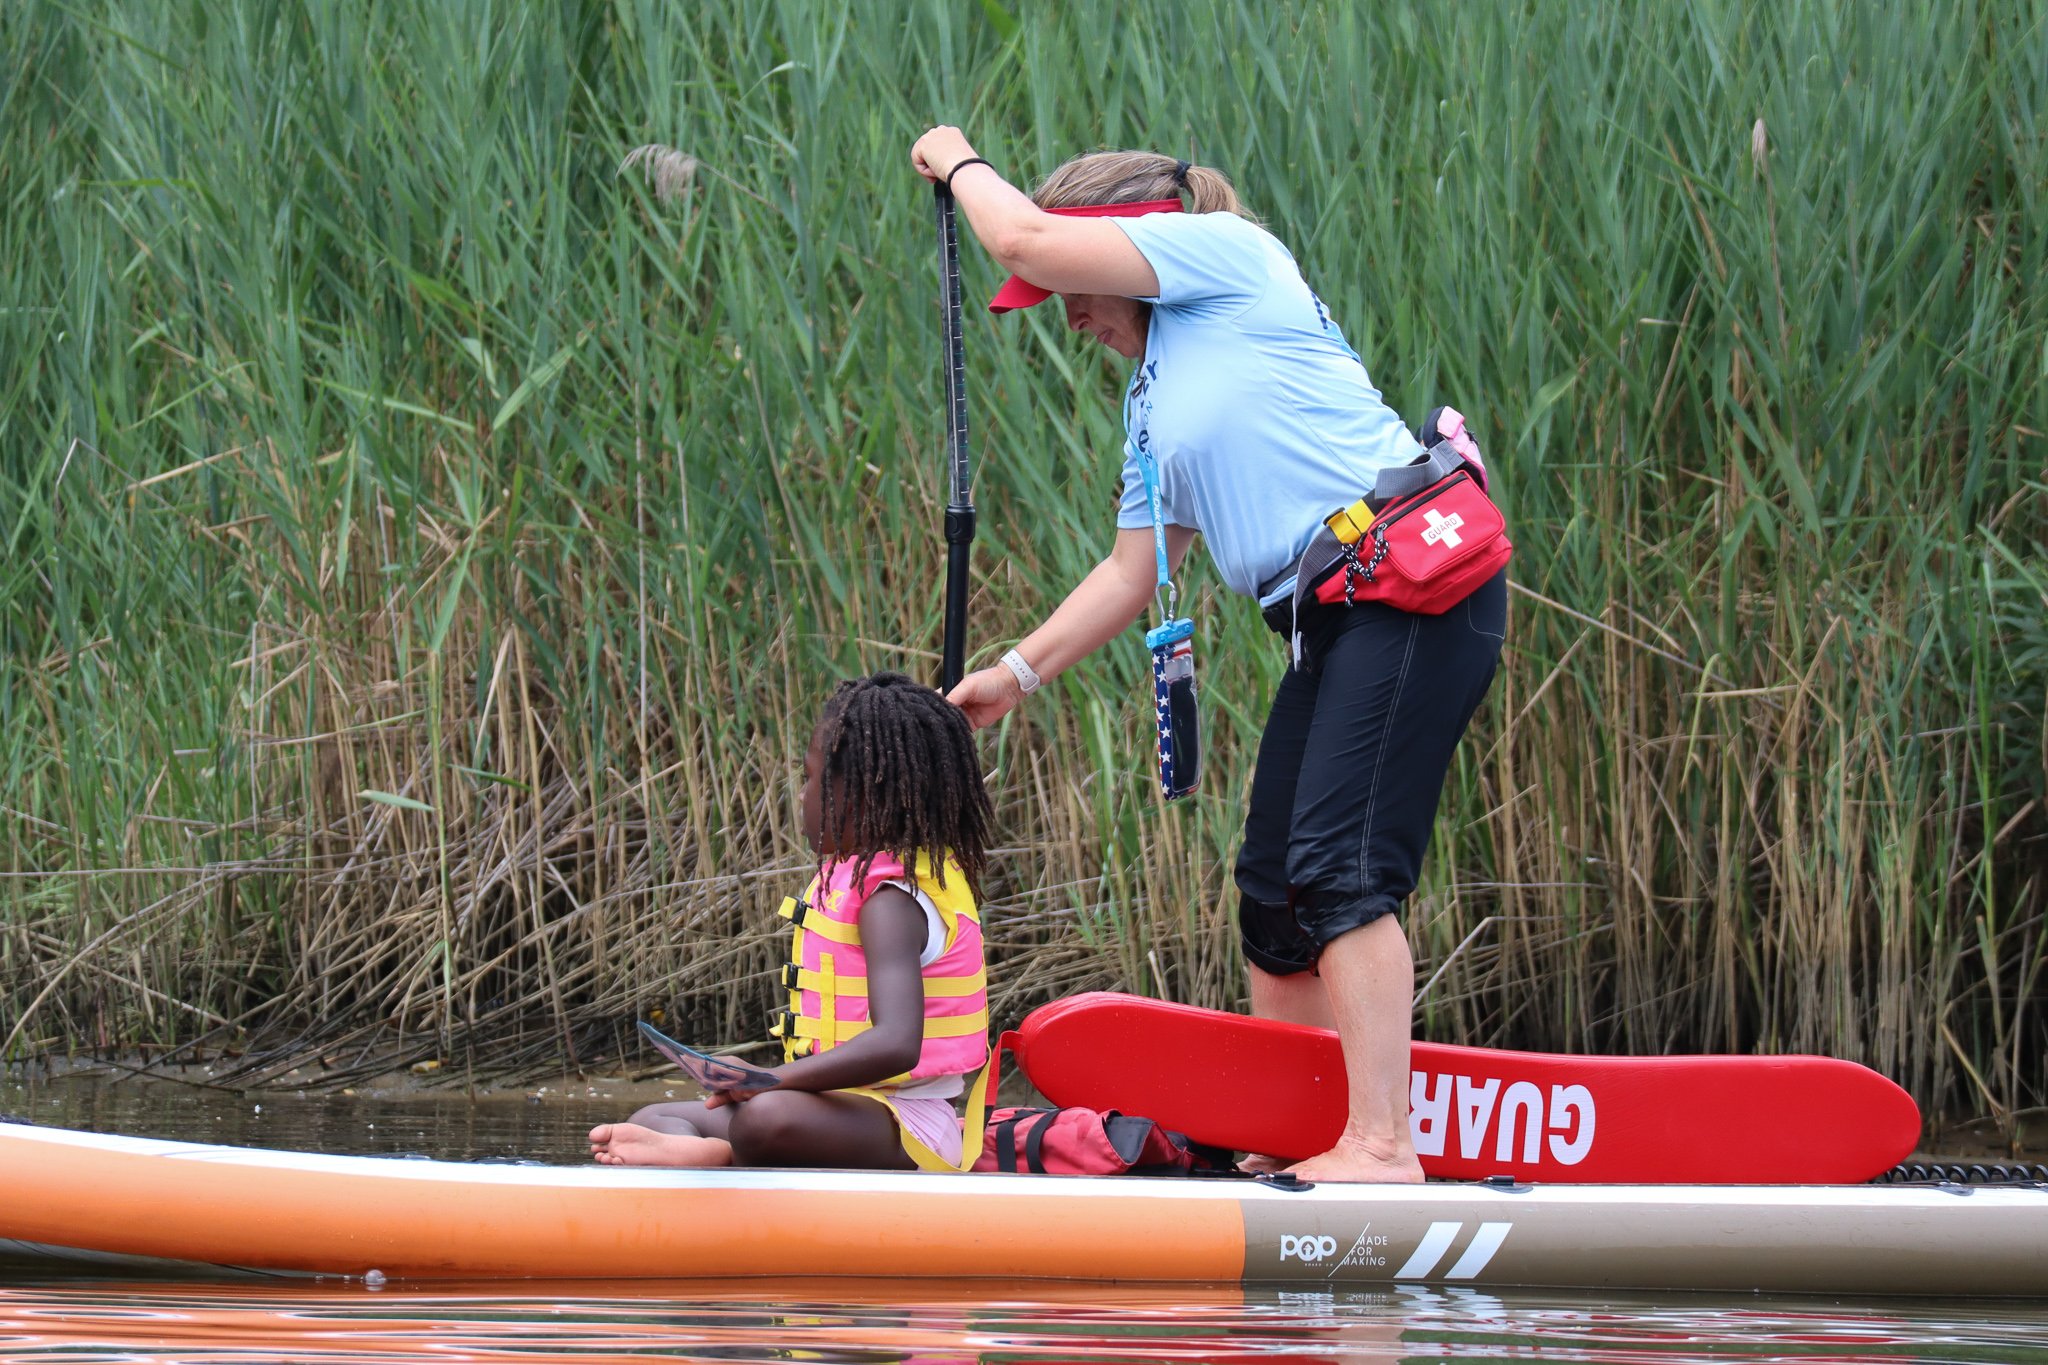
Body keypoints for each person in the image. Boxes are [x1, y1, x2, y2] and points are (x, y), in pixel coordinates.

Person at [911, 127, 1508, 1183]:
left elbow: (1024, 239)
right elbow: (1130, 574)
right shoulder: (1152, 405)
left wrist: (955, 158)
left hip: (1409, 595)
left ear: (1127, 239)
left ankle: (1381, 1145)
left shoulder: (1224, 256)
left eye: (1073, 293)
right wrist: (1013, 676)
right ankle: (1296, 1133)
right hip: (1327, 621)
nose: (1069, 316)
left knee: (1338, 870)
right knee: (1274, 894)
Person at [589, 672, 997, 1170]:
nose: (803, 797)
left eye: (812, 778)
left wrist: (766, 1079)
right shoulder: (859, 881)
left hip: (910, 1124)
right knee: (653, 1115)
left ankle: (726, 1159)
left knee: (768, 1116)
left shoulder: (890, 902)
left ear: (867, 794)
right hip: (835, 1109)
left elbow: (897, 1044)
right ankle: (709, 1152)